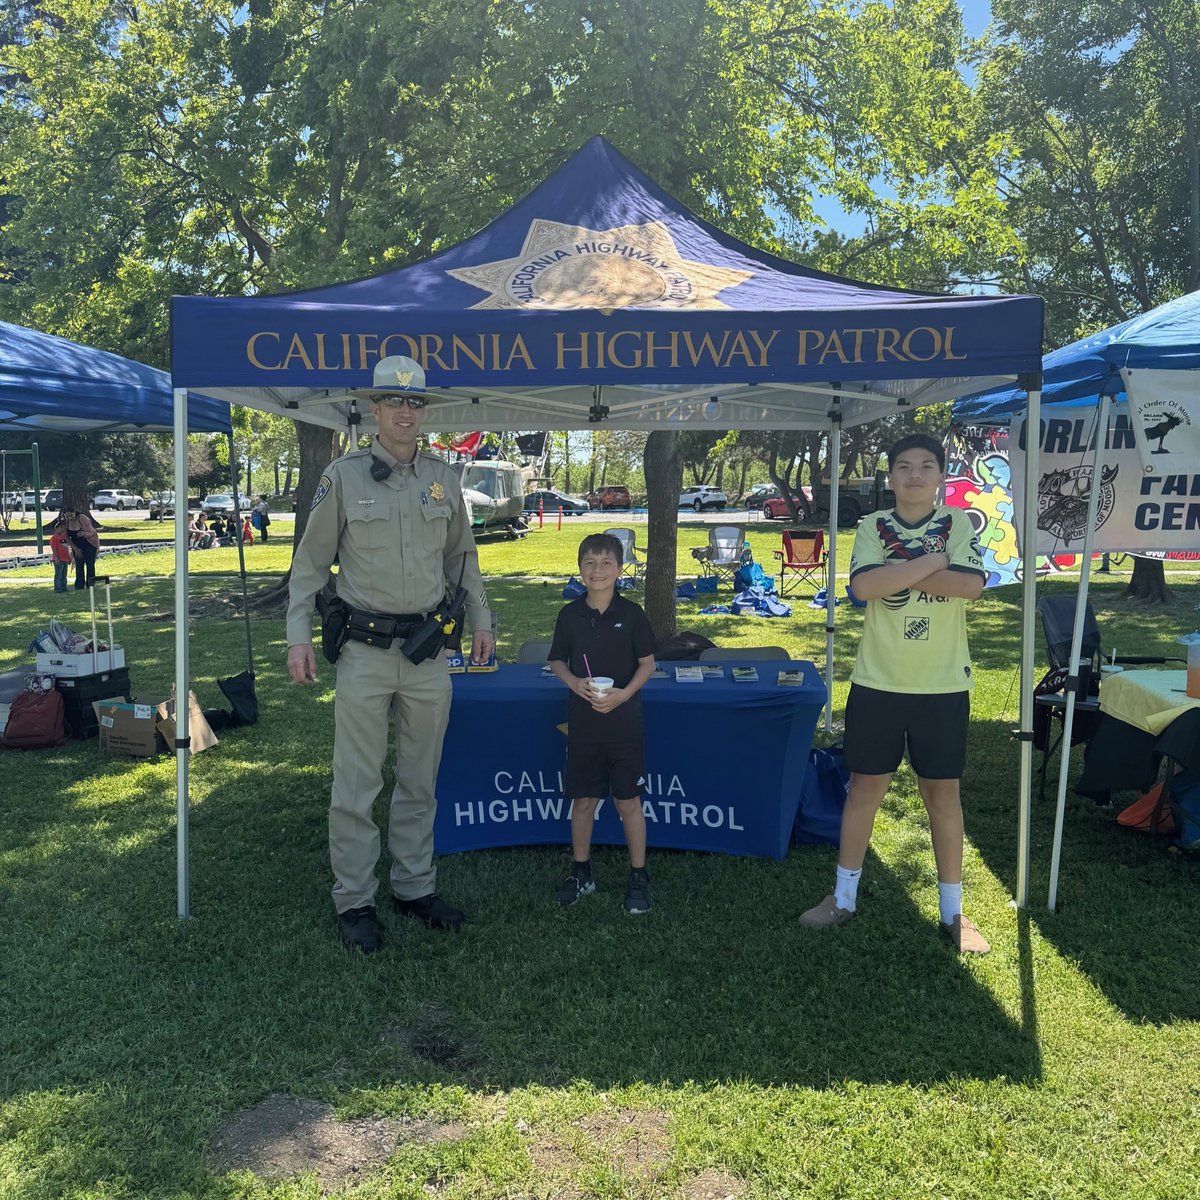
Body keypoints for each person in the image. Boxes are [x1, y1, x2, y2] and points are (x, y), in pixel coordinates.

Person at [286, 354, 493, 954]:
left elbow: (462, 559)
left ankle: (413, 886)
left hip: (428, 653)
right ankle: (354, 899)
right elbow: (309, 564)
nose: (406, 412)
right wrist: (298, 635)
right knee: (356, 783)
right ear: (373, 407)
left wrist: (482, 619)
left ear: (424, 411)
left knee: (420, 779)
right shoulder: (343, 477)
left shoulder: (443, 478)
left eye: (416, 402)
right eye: (394, 401)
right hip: (365, 653)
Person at [798, 433, 990, 954]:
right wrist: (933, 562)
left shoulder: (957, 523)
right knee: (864, 789)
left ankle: (953, 912)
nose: (915, 475)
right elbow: (863, 588)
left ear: (941, 476)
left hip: (942, 684)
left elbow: (971, 586)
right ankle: (843, 898)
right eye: (904, 466)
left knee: (942, 794)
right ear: (890, 477)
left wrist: (898, 572)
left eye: (926, 466)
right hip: (878, 682)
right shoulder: (871, 525)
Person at [547, 532, 657, 913]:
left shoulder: (632, 614)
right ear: (580, 569)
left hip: (624, 725)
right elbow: (557, 660)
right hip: (584, 726)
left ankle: (639, 876)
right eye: (590, 563)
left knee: (628, 802)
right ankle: (581, 873)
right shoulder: (569, 615)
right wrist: (574, 682)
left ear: (620, 569)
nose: (598, 570)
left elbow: (648, 664)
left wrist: (623, 695)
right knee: (583, 802)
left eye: (606, 563)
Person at [60, 507, 100, 589]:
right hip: (77, 545)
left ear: (75, 512)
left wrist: (84, 534)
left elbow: (91, 532)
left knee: (90, 564)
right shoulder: (66, 521)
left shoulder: (83, 518)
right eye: (67, 516)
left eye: (71, 515)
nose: (69, 518)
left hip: (89, 543)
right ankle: (79, 585)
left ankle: (90, 584)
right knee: (79, 564)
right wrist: (75, 549)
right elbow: (67, 537)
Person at [49, 518, 73, 593]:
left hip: (65, 558)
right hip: (59, 559)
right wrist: (56, 558)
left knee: (64, 575)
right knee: (58, 575)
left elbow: (67, 547)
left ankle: (64, 587)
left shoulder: (64, 537)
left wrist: (69, 558)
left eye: (64, 528)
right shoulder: (54, 538)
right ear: (56, 528)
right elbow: (54, 548)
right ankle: (58, 588)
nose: (63, 529)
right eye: (61, 527)